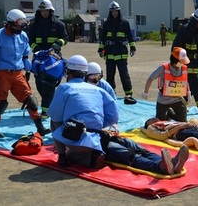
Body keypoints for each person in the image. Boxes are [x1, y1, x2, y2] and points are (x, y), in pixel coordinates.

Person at [49, 55, 189, 174]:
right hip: (99, 137)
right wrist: (98, 125)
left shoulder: (64, 88)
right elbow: (113, 115)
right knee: (130, 146)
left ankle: (165, 163)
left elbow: (54, 117)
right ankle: (161, 165)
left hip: (82, 140)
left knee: (126, 151)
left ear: (69, 73)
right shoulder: (100, 90)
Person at [0, 9, 51, 138]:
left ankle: (40, 128)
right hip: (1, 74)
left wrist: (28, 70)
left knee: (31, 100)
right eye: (19, 24)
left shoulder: (22, 35)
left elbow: (24, 56)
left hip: (18, 73)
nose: (21, 27)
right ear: (10, 23)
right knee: (2, 104)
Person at [28, 0, 69, 118]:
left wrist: (58, 44)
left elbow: (65, 38)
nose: (44, 13)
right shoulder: (34, 25)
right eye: (42, 11)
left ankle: (45, 112)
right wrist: (36, 48)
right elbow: (30, 40)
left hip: (53, 58)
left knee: (50, 84)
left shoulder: (59, 25)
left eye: (46, 10)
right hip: (39, 58)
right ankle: (50, 104)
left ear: (51, 11)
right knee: (39, 84)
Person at [172, 7, 198, 115]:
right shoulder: (185, 30)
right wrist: (174, 62)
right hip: (185, 65)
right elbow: (176, 47)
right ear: (195, 20)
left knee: (189, 89)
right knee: (195, 87)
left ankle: (180, 107)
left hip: (197, 65)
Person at [98, 1, 137, 105]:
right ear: (110, 12)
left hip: (121, 52)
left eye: (116, 11)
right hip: (110, 52)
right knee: (110, 75)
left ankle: (128, 94)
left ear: (119, 11)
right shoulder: (106, 23)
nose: (114, 13)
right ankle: (111, 94)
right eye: (112, 11)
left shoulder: (124, 23)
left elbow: (130, 36)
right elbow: (103, 38)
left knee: (124, 75)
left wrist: (133, 47)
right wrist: (100, 49)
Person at [141, 47, 191, 122]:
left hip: (177, 99)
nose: (182, 64)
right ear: (175, 61)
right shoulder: (163, 68)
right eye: (181, 62)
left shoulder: (183, 68)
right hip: (163, 100)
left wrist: (188, 93)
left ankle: (170, 114)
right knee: (160, 124)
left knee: (183, 123)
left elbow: (185, 81)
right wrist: (145, 92)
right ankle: (167, 115)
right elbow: (150, 78)